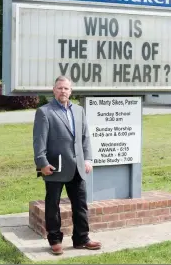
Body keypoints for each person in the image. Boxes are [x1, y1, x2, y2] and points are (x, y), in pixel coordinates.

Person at [33, 75, 101, 255]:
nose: (63, 91)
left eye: (66, 88)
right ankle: (54, 240)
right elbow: (39, 141)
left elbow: (85, 137)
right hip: (55, 167)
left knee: (80, 204)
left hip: (78, 167)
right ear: (54, 90)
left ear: (71, 91)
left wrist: (88, 159)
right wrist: (42, 163)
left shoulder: (79, 111)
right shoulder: (44, 112)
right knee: (52, 205)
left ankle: (82, 238)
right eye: (60, 88)